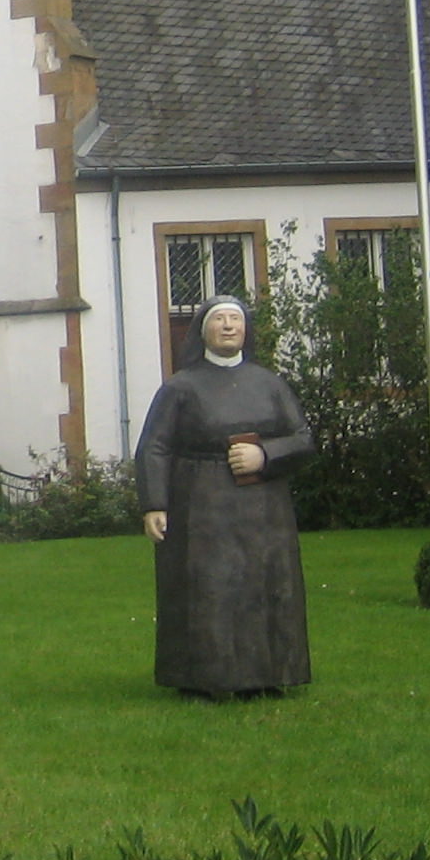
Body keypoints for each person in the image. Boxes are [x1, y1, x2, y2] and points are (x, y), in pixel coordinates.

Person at [135, 295, 315, 697]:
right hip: (199, 502)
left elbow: (303, 438)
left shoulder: (269, 384)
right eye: (220, 320)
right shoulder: (181, 387)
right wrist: (154, 504)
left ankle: (265, 675)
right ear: (203, 331)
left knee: (265, 584)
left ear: (246, 329)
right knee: (207, 587)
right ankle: (202, 677)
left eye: (236, 319)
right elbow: (155, 447)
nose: (229, 326)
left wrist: (265, 454)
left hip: (264, 505)